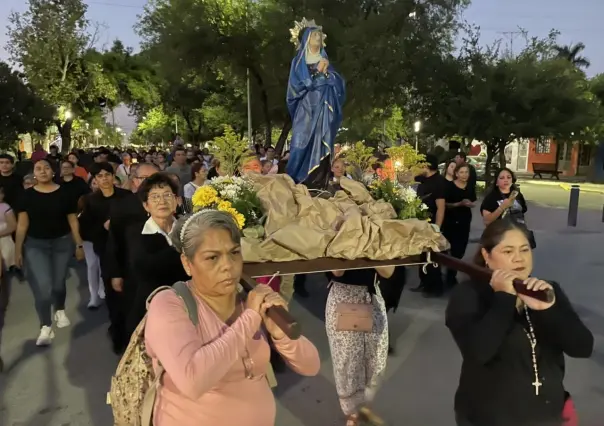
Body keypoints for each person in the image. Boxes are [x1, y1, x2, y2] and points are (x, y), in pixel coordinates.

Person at [145, 210, 320, 426]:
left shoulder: (248, 298)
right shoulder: (169, 305)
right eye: (212, 257)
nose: (228, 265)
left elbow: (311, 366)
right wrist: (250, 319)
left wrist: (281, 336)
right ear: (187, 263)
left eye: (234, 253)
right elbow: (193, 381)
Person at [446, 220, 593, 426]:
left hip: (550, 415)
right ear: (487, 256)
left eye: (525, 250)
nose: (519, 258)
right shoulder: (468, 294)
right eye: (508, 251)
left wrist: (548, 311)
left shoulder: (547, 290)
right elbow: (479, 352)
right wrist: (504, 298)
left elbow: (583, 347)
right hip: (490, 417)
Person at [14, 159, 85, 346]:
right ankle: (45, 326)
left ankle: (59, 308)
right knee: (43, 288)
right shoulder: (26, 196)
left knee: (58, 283)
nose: (43, 171)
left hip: (61, 243)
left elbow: (73, 222)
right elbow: (22, 225)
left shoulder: (65, 193)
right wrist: (17, 251)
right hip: (35, 245)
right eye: (38, 168)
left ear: (53, 172)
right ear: (33, 174)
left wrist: (79, 244)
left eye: (46, 168)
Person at [326, 267, 396, 425]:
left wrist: (372, 249)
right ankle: (352, 414)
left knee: (375, 359)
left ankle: (365, 406)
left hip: (371, 297)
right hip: (345, 297)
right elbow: (337, 271)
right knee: (348, 362)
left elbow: (388, 272)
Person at [126, 173, 189, 337]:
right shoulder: (136, 233)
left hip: (188, 303)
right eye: (155, 197)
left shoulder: (188, 229)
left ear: (176, 201)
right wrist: (182, 254)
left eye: (168, 195)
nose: (162, 201)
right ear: (146, 205)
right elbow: (144, 268)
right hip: (151, 306)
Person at [286, 22, 346, 188]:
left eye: (320, 35)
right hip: (305, 109)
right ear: (306, 39)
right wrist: (317, 73)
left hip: (324, 110)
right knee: (300, 142)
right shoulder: (298, 63)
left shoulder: (326, 61)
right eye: (314, 35)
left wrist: (327, 74)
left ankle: (318, 184)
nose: (318, 38)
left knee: (322, 142)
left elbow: (339, 85)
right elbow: (296, 87)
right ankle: (295, 181)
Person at [412, 154, 446, 297]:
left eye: (420, 164)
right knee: (422, 255)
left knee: (432, 256)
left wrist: (437, 227)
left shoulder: (439, 182)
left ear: (426, 165)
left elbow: (441, 207)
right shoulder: (423, 180)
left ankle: (435, 287)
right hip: (421, 223)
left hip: (432, 223)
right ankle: (424, 283)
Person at [443, 163, 476, 287]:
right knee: (451, 248)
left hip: (464, 220)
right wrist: (459, 204)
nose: (464, 175)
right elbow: (445, 203)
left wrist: (469, 204)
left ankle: (451, 272)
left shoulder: (470, 187)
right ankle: (450, 277)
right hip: (451, 220)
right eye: (461, 172)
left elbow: (473, 201)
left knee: (460, 250)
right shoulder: (449, 186)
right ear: (456, 173)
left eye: (466, 172)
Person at [0, 187, 17, 271]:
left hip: (4, 234)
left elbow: (13, 225)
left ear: (2, 195)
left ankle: (13, 266)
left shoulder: (5, 207)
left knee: (7, 247)